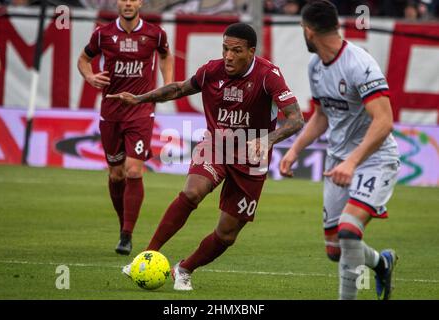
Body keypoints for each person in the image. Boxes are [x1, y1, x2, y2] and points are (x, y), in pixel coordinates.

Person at [108, 22, 304, 291]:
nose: (229, 56)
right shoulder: (212, 70)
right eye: (225, 49)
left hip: (252, 158)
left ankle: (185, 268)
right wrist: (140, 99)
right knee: (191, 193)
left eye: (236, 50)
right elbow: (178, 89)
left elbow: (296, 119)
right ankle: (146, 256)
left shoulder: (268, 75)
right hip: (217, 145)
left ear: (251, 51)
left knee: (227, 233)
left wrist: (267, 139)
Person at [279, 0, 400, 300]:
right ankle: (382, 263)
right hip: (338, 163)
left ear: (309, 31)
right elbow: (322, 115)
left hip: (374, 160)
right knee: (336, 249)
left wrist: (353, 162)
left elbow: (384, 121)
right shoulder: (316, 66)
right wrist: (295, 150)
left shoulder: (360, 64)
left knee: (348, 232)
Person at [77, 0, 174, 255]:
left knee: (133, 170)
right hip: (110, 111)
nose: (128, 3)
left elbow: (165, 55)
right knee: (116, 174)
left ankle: (126, 234)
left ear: (140, 2)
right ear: (117, 3)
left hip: (141, 110)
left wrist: (168, 85)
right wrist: (89, 76)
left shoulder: (155, 34)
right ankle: (124, 226)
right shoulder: (102, 34)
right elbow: (83, 59)